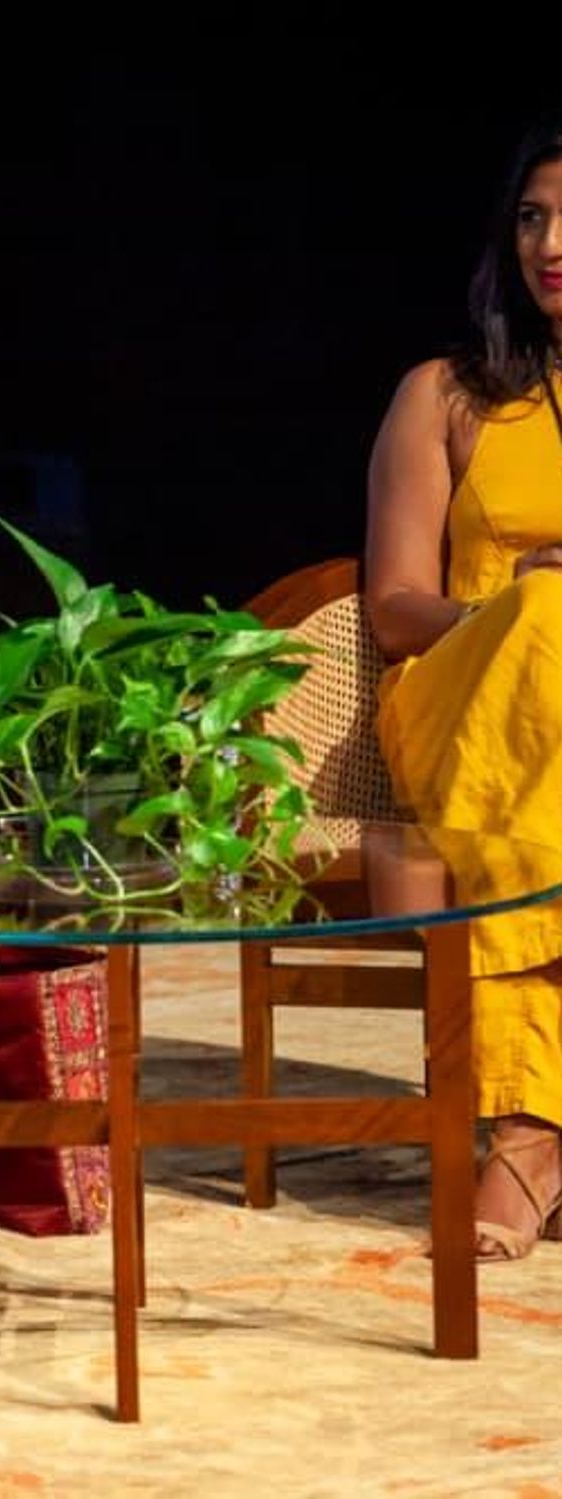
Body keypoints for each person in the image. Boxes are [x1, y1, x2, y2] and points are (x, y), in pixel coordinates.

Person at [366, 119, 562, 1262]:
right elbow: (394, 603)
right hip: (459, 703)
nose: (550, 242)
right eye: (532, 217)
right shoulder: (442, 394)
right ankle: (528, 1131)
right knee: (547, 617)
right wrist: (510, 611)